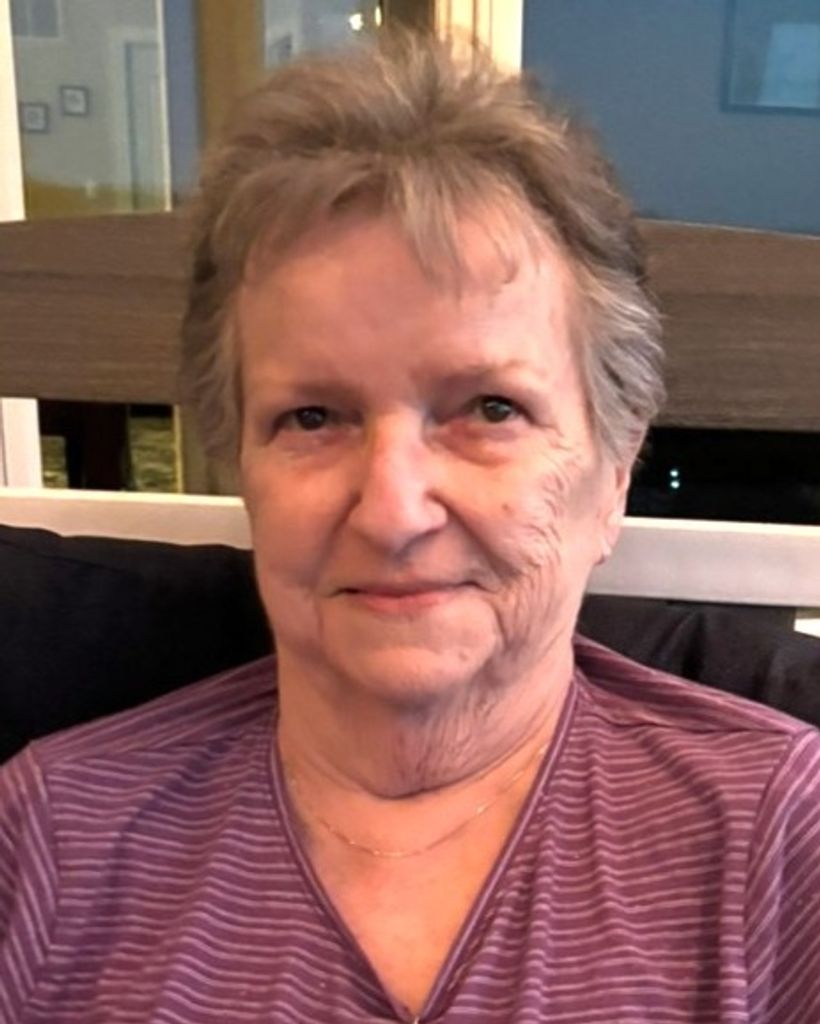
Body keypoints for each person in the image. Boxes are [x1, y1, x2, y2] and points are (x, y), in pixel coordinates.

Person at [2, 32, 819, 1024]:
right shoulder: (52, 840)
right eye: (313, 417)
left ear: (612, 473)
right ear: (242, 467)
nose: (392, 511)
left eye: (488, 409)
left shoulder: (781, 841)